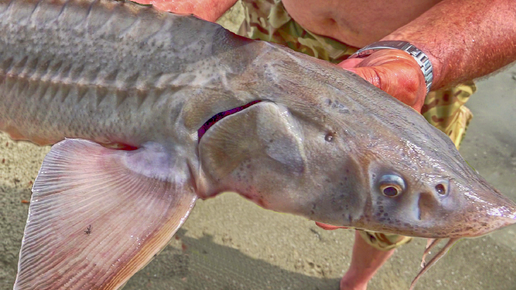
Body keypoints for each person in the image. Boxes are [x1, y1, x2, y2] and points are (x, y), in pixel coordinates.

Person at [137, 0, 516, 289]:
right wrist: (167, 15)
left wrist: (421, 59)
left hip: (414, 63)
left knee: (392, 208)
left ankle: (356, 279)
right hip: (276, 21)